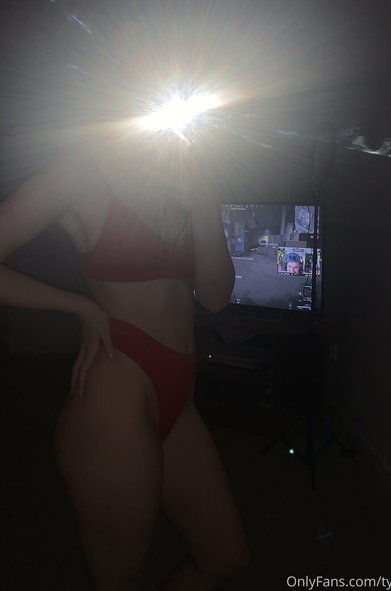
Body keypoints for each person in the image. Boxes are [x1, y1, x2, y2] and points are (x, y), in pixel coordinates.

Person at [0, 141, 250, 590]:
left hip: (180, 398)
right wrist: (78, 305)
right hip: (117, 390)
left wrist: (203, 204)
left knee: (225, 558)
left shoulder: (183, 176)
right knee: (122, 580)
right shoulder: (82, 170)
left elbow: (215, 298)